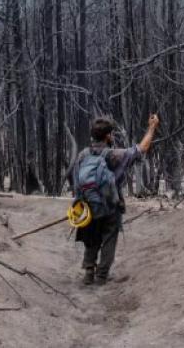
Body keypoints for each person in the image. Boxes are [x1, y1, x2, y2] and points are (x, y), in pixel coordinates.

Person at [68, 113, 159, 286]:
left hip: (87, 206)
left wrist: (79, 203)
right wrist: (152, 127)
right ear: (108, 136)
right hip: (110, 206)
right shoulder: (114, 155)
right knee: (109, 238)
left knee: (91, 237)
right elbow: (141, 149)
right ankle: (102, 276)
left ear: (93, 135)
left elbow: (76, 182)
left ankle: (89, 272)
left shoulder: (83, 155)